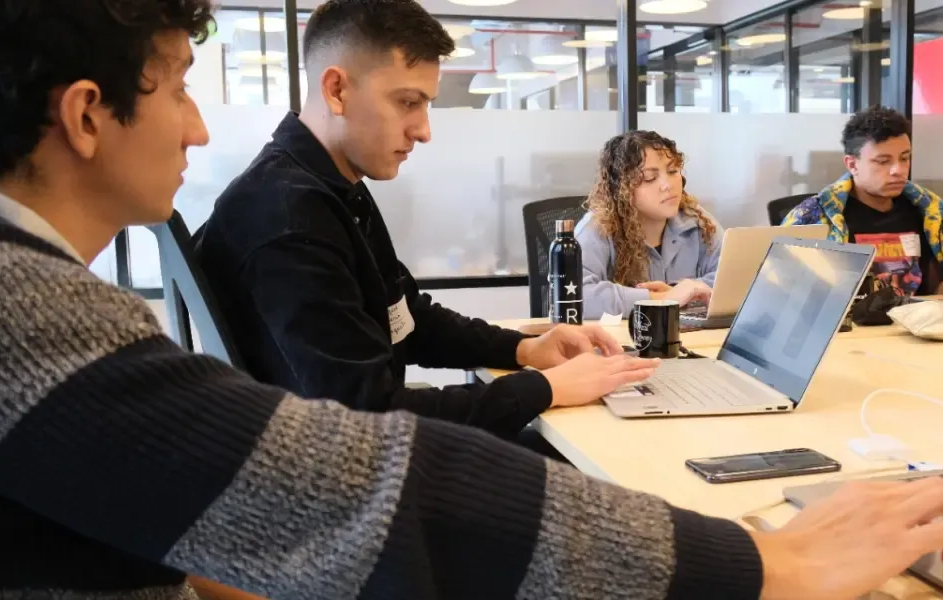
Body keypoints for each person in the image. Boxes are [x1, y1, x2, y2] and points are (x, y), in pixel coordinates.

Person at [0, 0, 943, 598]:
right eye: (183, 85)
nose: (199, 127)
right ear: (87, 114)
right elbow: (362, 475)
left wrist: (525, 354)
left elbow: (397, 324)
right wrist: (756, 562)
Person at [191, 0, 638, 444]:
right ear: (337, 90)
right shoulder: (288, 217)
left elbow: (404, 315)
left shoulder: (330, 188)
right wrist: (546, 388)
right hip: (341, 471)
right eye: (407, 102)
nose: (423, 131)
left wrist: (523, 349)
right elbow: (367, 418)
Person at [783, 106, 943, 298]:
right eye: (883, 161)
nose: (898, 170)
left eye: (904, 158)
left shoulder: (928, 211)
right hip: (851, 316)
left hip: (914, 315)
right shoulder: (816, 216)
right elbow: (787, 289)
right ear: (852, 164)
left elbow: (934, 284)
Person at [575, 130, 721, 319]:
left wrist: (683, 292)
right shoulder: (597, 229)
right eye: (650, 178)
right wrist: (661, 299)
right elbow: (576, 296)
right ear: (623, 190)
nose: (668, 185)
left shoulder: (696, 219)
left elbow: (734, 279)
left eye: (673, 171)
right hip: (622, 337)